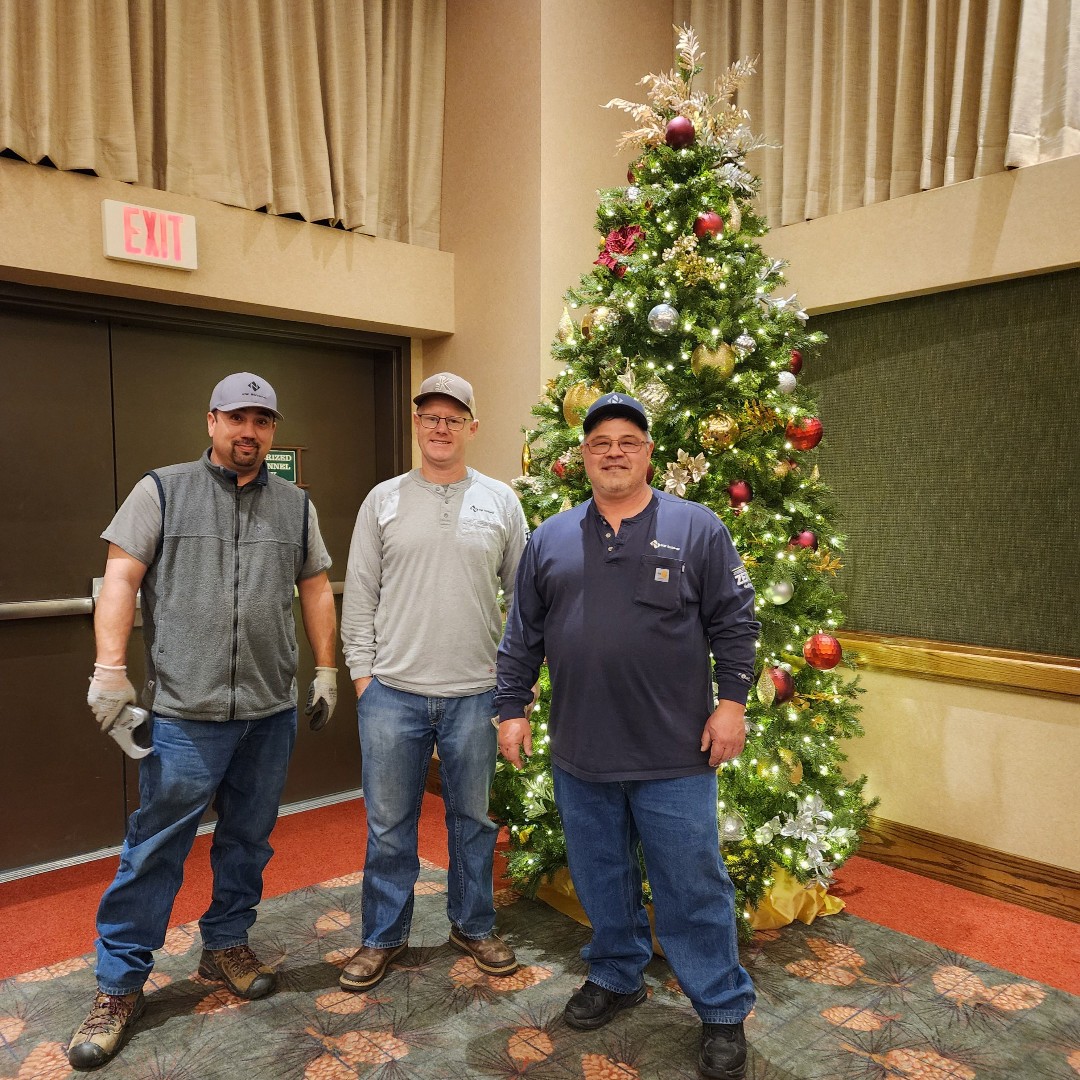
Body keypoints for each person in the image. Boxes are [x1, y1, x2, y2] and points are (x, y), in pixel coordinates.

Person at [68, 372, 339, 1070]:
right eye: (237, 418)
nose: (250, 431)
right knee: (156, 846)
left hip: (268, 712)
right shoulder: (161, 490)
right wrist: (108, 669)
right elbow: (121, 577)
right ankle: (119, 984)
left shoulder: (297, 505)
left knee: (248, 840)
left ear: (273, 431)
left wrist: (327, 667)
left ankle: (225, 945)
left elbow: (315, 588)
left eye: (263, 421)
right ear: (211, 421)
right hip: (185, 714)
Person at [495, 392, 759, 1080]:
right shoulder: (550, 537)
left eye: (628, 440)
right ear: (583, 456)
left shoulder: (698, 528)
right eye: (599, 441)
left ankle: (723, 1009)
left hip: (675, 753)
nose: (613, 451)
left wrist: (731, 704)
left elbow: (735, 623)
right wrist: (512, 708)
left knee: (692, 885)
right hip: (582, 750)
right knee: (601, 876)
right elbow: (522, 633)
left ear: (649, 453)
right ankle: (616, 975)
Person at [339, 371, 529, 992]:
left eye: (453, 418)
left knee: (472, 820)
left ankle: (471, 925)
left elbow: (524, 598)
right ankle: (382, 937)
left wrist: (512, 691)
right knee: (389, 823)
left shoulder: (500, 500)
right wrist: (363, 677)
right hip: (392, 692)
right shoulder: (384, 499)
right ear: (417, 425)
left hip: (476, 693)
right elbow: (360, 593)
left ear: (472, 427)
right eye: (430, 418)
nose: (440, 428)